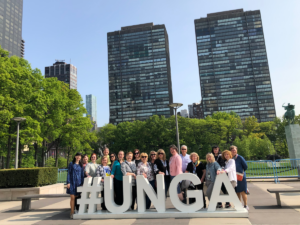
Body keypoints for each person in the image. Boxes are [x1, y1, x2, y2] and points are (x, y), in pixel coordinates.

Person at [230, 145, 249, 210]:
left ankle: (246, 205)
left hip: (240, 176)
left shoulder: (240, 158)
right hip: (234, 177)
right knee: (237, 191)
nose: (233, 151)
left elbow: (245, 166)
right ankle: (239, 204)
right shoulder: (230, 158)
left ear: (236, 150)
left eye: (234, 150)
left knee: (243, 191)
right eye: (232, 150)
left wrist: (240, 172)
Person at [67, 152, 84, 219]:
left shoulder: (81, 165)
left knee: (76, 197)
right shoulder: (71, 164)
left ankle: (75, 210)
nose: (78, 157)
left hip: (78, 183)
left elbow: (82, 175)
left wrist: (82, 183)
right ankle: (72, 212)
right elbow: (69, 173)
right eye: (77, 156)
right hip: (72, 182)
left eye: (80, 156)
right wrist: (68, 182)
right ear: (75, 156)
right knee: (72, 197)